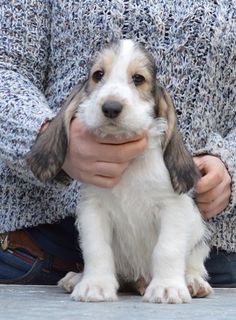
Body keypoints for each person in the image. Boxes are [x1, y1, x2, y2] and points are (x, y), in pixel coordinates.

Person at [0, 1, 235, 287]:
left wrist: (230, 160)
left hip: (207, 264)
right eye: (99, 75)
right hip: (43, 254)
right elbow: (6, 66)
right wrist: (51, 138)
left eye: (137, 79)